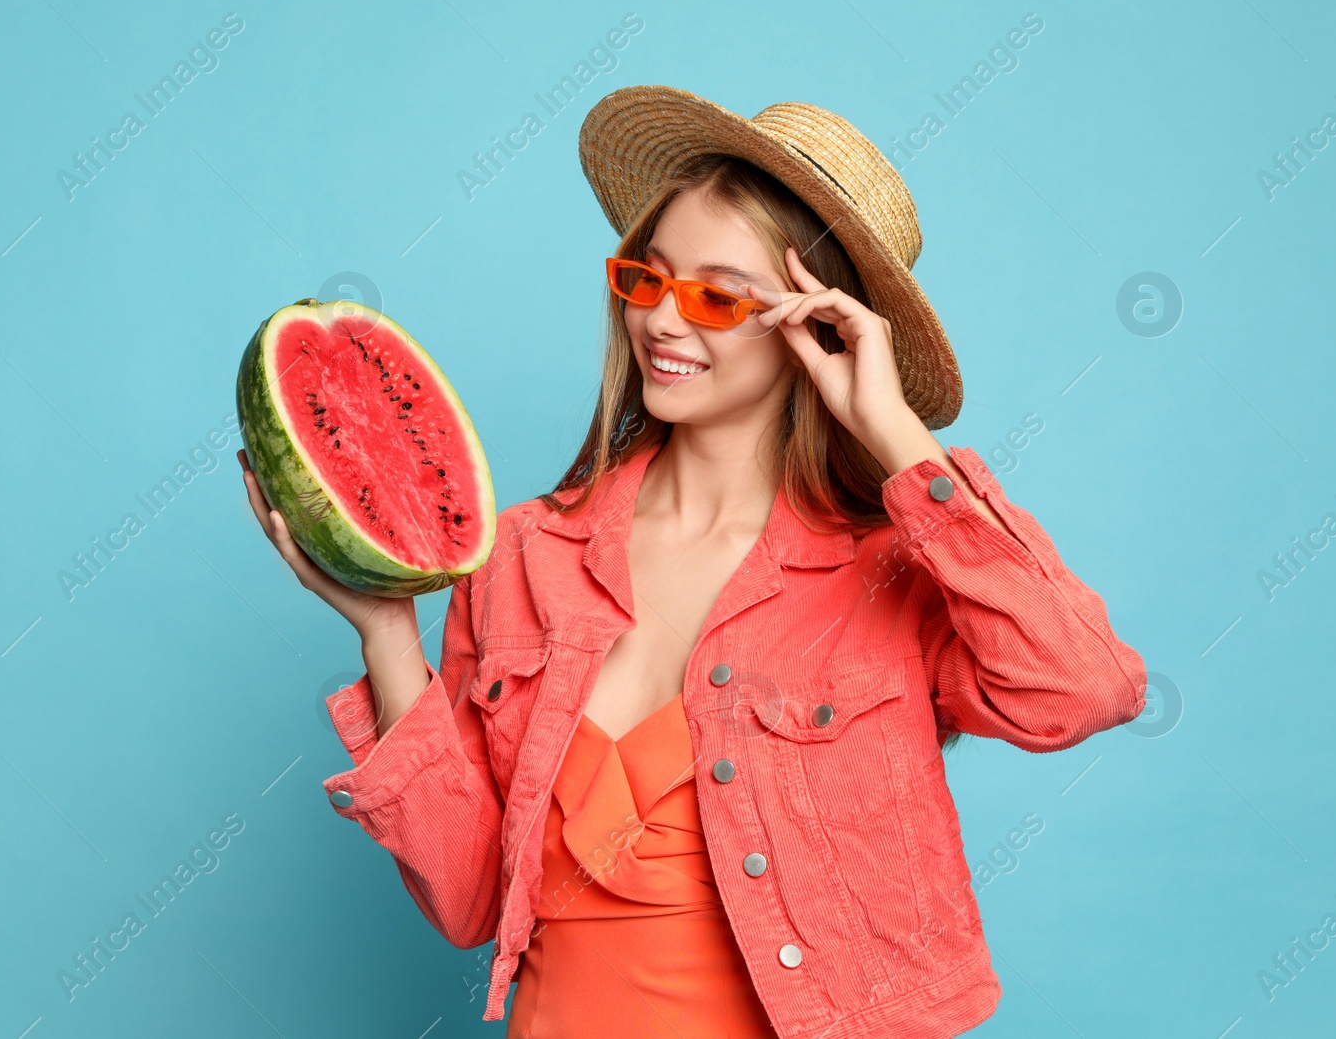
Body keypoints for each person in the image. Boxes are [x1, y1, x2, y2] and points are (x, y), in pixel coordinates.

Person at [237, 85, 1147, 1038]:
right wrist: (386, 631)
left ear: (820, 326)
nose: (666, 322)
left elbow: (1083, 689)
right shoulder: (524, 558)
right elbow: (468, 901)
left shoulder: (890, 568)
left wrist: (895, 434)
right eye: (648, 279)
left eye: (719, 295)